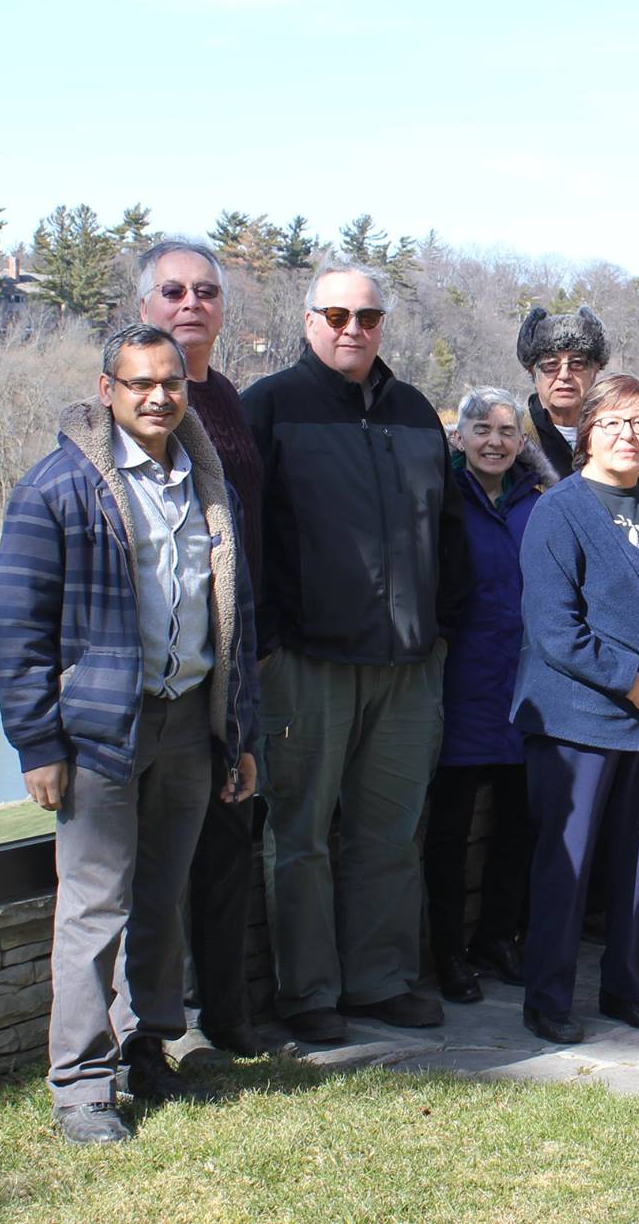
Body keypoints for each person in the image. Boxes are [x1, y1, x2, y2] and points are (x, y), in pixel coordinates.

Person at [0, 323, 260, 1143]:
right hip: (102, 731)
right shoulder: (60, 488)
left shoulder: (206, 485)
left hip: (188, 721)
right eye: (140, 383)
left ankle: (149, 1047)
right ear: (107, 390)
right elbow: (16, 624)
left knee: (161, 899)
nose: (158, 397)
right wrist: (37, 742)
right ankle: (80, 1086)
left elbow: (234, 617)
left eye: (171, 383)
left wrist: (237, 732)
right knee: (94, 906)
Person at [240, 260, 467, 1043]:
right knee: (300, 834)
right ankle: (308, 993)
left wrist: (441, 631)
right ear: (309, 320)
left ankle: (379, 980)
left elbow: (445, 531)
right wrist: (266, 643)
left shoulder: (413, 414)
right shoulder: (267, 408)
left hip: (408, 665)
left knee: (389, 829)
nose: (351, 329)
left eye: (366, 317)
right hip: (307, 662)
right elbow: (241, 540)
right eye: (335, 315)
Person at [511, 373, 639, 1045]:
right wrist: (631, 681)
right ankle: (549, 998)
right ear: (587, 431)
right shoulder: (560, 510)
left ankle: (627, 985)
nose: (628, 434)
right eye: (613, 421)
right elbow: (554, 627)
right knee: (568, 865)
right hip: (577, 721)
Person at [132, 238, 270, 1060]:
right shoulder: (136, 400)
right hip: (152, 673)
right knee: (152, 866)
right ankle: (158, 1028)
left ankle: (227, 1015)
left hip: (234, 660)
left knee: (227, 841)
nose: (192, 304)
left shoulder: (230, 400)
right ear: (147, 305)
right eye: (174, 290)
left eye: (207, 291)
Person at [423, 386, 545, 1004]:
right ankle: (445, 949)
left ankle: (499, 935)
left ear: (521, 442)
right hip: (459, 683)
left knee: (519, 825)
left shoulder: (538, 503)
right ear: (459, 436)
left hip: (524, 688)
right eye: (481, 429)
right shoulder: (441, 496)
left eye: (506, 431)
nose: (493, 441)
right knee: (448, 831)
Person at [516, 304, 608, 482]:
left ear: (595, 370)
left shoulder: (615, 434)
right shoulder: (512, 437)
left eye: (577, 363)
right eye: (551, 365)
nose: (564, 375)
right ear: (532, 371)